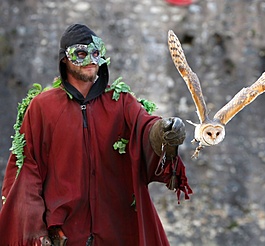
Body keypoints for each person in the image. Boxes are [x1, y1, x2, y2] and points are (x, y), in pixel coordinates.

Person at [0, 24, 192, 245]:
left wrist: (163, 132)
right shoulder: (42, 107)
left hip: (116, 230)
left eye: (96, 53)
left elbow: (145, 128)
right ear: (65, 58)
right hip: (66, 235)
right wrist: (36, 231)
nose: (90, 60)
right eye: (81, 53)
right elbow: (27, 171)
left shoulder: (121, 102)